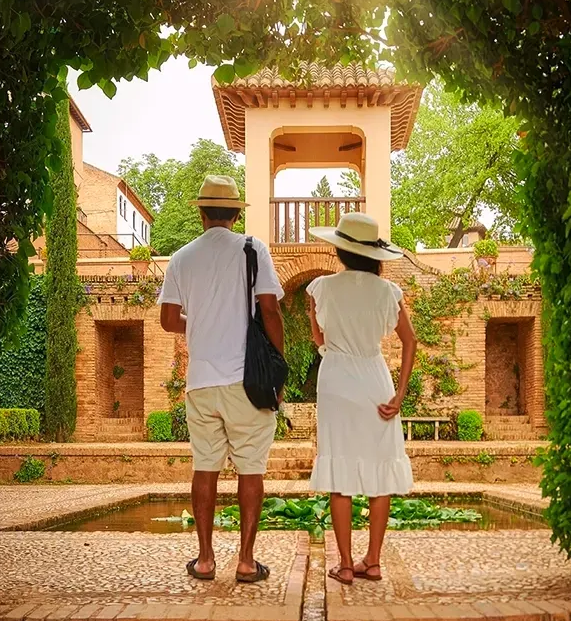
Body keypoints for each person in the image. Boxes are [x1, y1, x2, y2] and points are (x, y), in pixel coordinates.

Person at [159, 175, 285, 584]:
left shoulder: (181, 258)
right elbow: (270, 310)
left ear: (201, 213)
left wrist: (199, 324)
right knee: (251, 470)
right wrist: (278, 363)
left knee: (205, 467)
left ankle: (206, 559)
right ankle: (247, 561)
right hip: (247, 379)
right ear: (235, 213)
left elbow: (166, 320)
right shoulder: (253, 249)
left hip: (201, 382)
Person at [306, 211, 416, 584]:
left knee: (340, 474)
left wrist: (334, 349)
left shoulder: (320, 287)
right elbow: (410, 341)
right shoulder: (389, 292)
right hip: (375, 381)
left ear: (340, 250)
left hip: (336, 381)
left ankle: (347, 565)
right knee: (380, 473)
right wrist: (400, 394)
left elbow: (318, 339)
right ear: (374, 254)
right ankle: (374, 561)